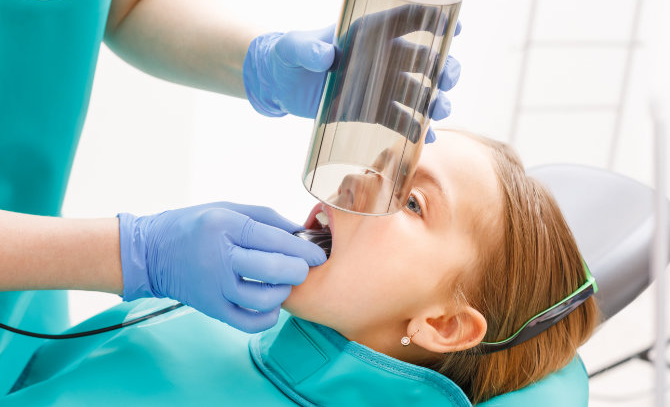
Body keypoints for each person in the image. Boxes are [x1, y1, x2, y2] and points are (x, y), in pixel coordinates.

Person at [0, 130, 600, 406]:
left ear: (442, 325)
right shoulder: (193, 315)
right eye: (383, 162)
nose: (362, 180)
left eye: (414, 201)